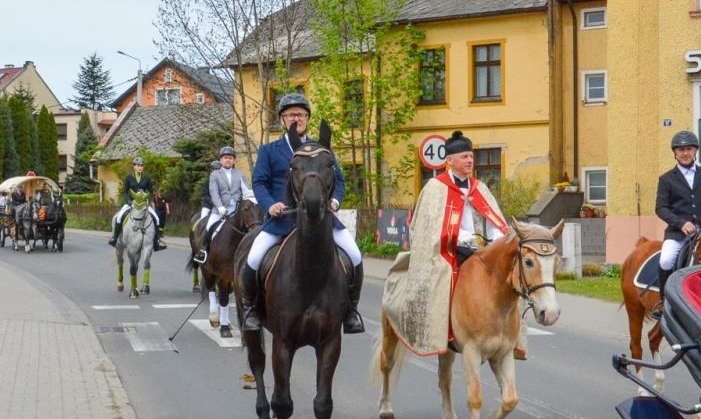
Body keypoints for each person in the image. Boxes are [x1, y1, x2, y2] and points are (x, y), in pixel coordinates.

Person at [379, 130, 519, 357]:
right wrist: (459, 236)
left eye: (471, 156)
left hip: (481, 249)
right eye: (464, 157)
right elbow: (427, 226)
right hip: (447, 249)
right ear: (450, 161)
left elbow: (494, 219)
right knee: (442, 277)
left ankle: (511, 336)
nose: (470, 160)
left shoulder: (479, 188)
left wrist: (498, 239)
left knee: (510, 279)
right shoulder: (435, 188)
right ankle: (436, 328)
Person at [241, 92, 365, 334]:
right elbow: (259, 182)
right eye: (290, 115)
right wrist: (270, 205)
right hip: (282, 219)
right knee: (254, 258)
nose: (295, 118)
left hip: (320, 220)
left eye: (300, 114)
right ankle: (251, 309)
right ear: (282, 120)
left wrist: (335, 201)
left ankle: (351, 311)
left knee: (355, 255)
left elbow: (339, 180)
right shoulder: (269, 150)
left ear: (307, 118)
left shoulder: (321, 150)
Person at [633, 130, 701, 293]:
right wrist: (681, 223)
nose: (685, 153)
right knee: (666, 260)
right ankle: (666, 299)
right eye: (681, 150)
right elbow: (661, 208)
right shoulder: (666, 179)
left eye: (689, 149)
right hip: (678, 234)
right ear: (675, 153)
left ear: (695, 151)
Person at [194, 146, 250, 265]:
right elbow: (214, 192)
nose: (228, 160)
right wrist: (219, 207)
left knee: (250, 227)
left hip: (237, 209)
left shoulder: (240, 174)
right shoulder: (215, 175)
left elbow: (245, 191)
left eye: (230, 158)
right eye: (225, 158)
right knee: (209, 226)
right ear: (221, 160)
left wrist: (251, 195)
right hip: (220, 209)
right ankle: (203, 250)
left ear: (234, 161)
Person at [110, 157, 165, 251]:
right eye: (138, 165)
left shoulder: (146, 178)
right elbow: (125, 192)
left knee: (156, 218)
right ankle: (114, 238)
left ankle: (157, 241)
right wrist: (129, 201)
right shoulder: (129, 178)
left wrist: (148, 201)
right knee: (118, 217)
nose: (140, 167)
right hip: (131, 203)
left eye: (141, 166)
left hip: (143, 204)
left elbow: (151, 191)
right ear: (134, 167)